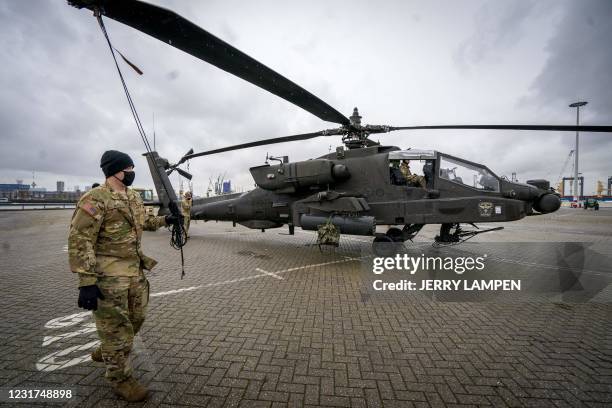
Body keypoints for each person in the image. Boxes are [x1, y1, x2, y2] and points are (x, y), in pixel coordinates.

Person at [68, 150, 181, 402]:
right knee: (117, 330)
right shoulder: (94, 199)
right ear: (115, 170)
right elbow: (80, 239)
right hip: (108, 278)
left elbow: (145, 222)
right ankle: (120, 379)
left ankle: (106, 350)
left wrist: (167, 219)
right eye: (128, 168)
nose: (132, 172)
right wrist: (86, 281)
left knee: (136, 319)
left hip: (135, 273)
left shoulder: (133, 196)